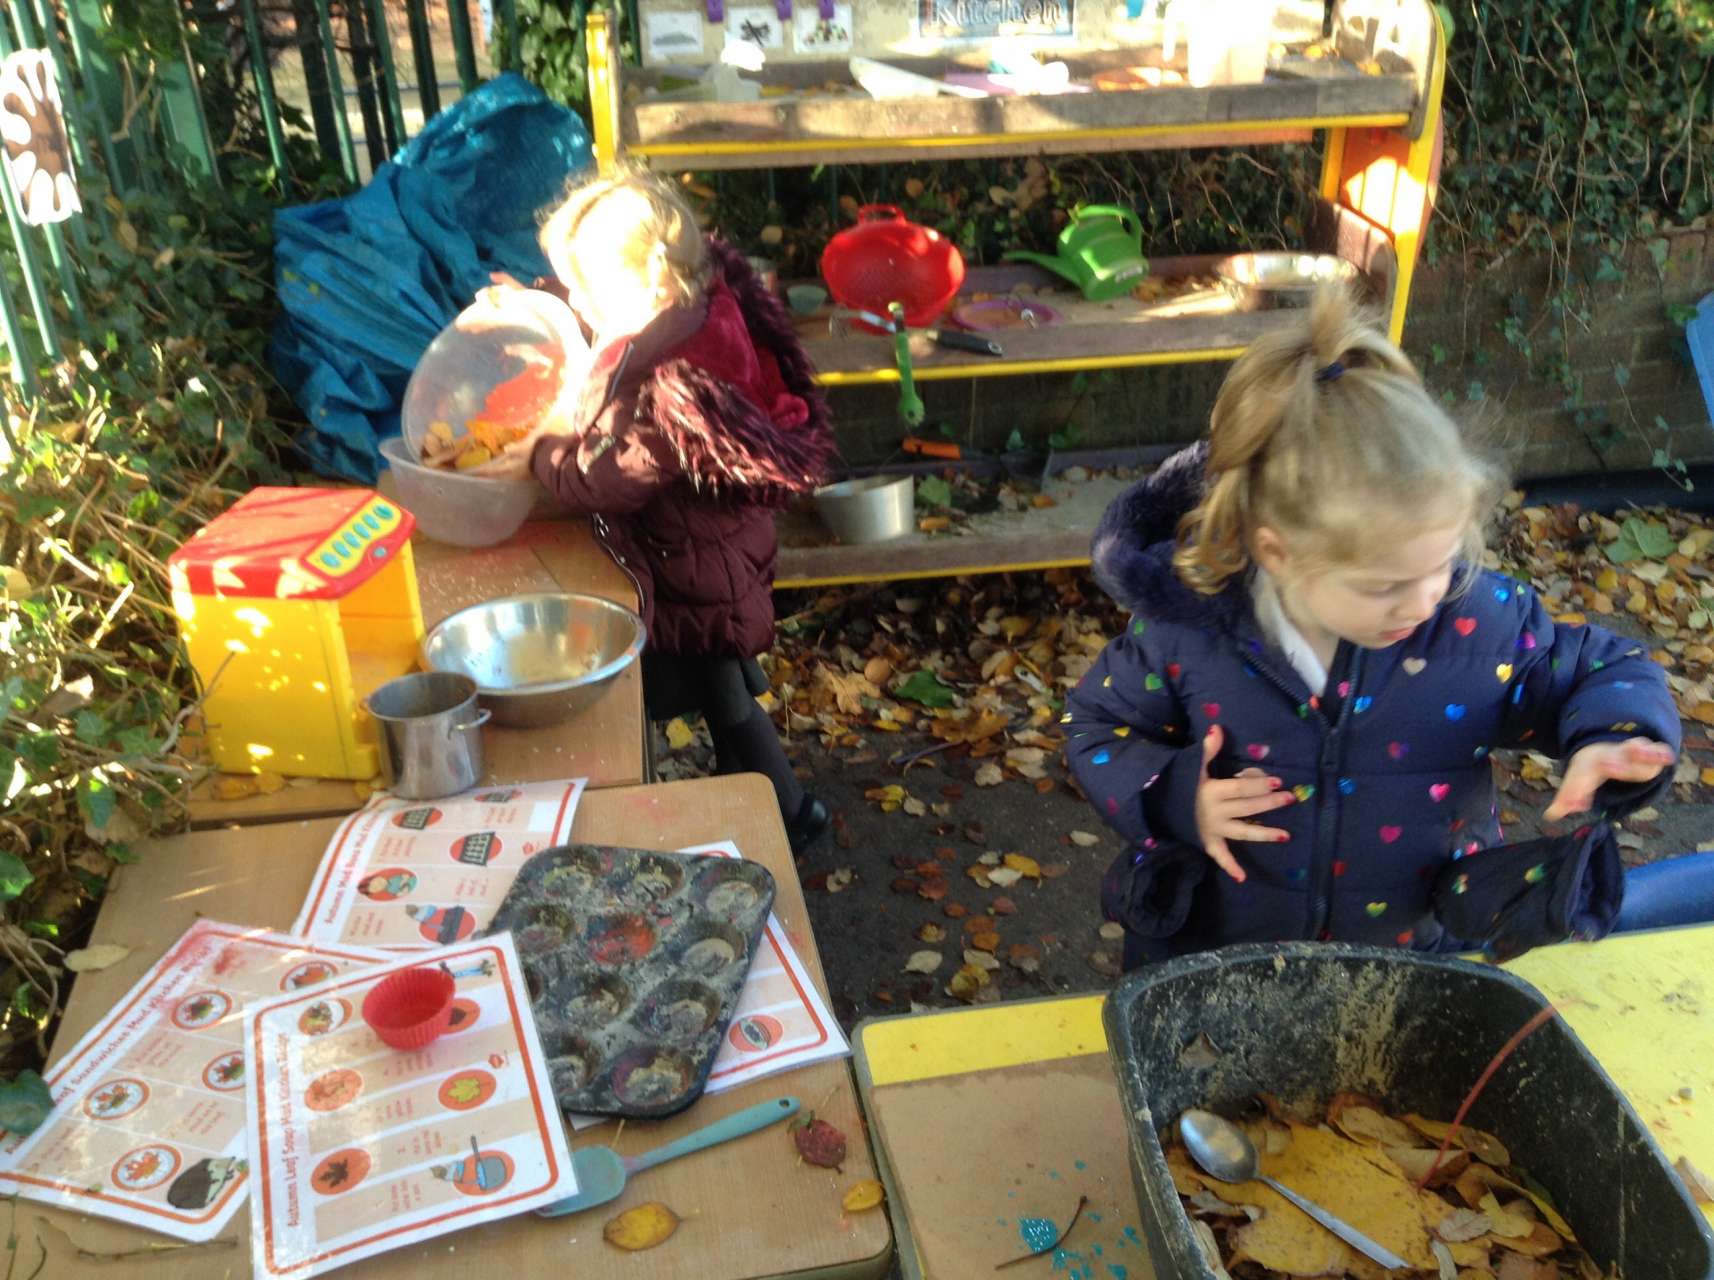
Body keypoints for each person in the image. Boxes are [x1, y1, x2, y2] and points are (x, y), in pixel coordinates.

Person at [1066, 287, 1694, 968]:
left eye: (1441, 564)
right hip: (1221, 959)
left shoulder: (1478, 625)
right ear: (1278, 553)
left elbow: (1600, 668)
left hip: (1412, 960)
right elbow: (1098, 724)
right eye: (1385, 585)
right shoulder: (1189, 632)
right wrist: (1177, 798)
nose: (1423, 602)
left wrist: (1614, 735)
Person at [482, 168, 837, 855]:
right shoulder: (674, 303)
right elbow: (599, 320)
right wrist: (536, 303)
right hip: (691, 551)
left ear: (644, 283)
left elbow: (598, 482)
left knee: (726, 697)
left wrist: (539, 450)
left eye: (587, 289)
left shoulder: (681, 392)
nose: (581, 302)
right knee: (725, 692)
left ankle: (790, 817)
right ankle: (761, 803)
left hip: (699, 570)